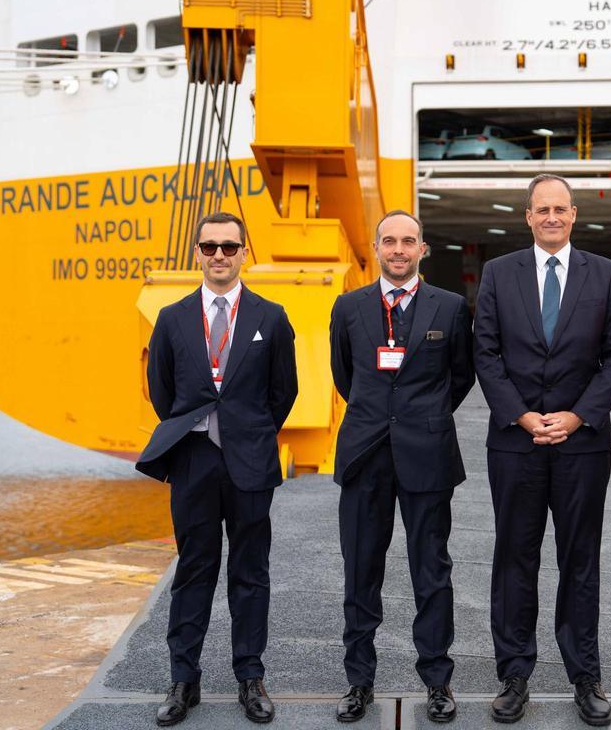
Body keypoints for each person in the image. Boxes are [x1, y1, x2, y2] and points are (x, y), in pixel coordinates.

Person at [474, 174, 611, 727]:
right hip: (515, 444)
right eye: (541, 209)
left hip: (582, 444)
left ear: (574, 215)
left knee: (579, 560)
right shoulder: (499, 274)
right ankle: (514, 675)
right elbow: (486, 352)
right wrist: (521, 415)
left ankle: (585, 675)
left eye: (560, 209)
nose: (551, 217)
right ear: (527, 216)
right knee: (514, 559)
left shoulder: (605, 274)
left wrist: (578, 414)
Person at [137, 211, 298, 727]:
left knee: (251, 573)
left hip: (250, 462)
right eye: (210, 247)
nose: (220, 256)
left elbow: (284, 391)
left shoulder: (271, 317)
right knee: (193, 571)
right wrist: (196, 432)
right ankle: (184, 679)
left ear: (244, 252)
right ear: (197, 253)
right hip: (194, 461)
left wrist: (248, 431)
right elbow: (163, 393)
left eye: (230, 247)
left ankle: (250, 677)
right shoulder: (172, 318)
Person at [329, 210, 475, 725]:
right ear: (376, 247)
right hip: (365, 456)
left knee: (432, 572)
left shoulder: (453, 308)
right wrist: (382, 417)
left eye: (407, 241)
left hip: (427, 456)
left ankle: (437, 681)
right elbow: (345, 376)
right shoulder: (348, 308)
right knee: (359, 574)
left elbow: (461, 377)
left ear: (422, 249)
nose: (398, 249)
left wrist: (423, 419)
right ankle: (358, 682)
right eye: (389, 241)